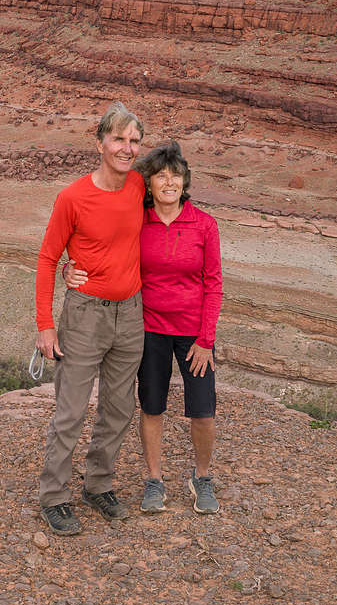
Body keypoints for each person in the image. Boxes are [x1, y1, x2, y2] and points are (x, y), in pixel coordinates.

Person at [65, 140, 223, 514]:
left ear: (185, 181)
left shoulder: (204, 224)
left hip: (193, 333)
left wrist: (206, 340)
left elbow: (213, 283)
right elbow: (100, 246)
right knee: (152, 406)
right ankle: (155, 480)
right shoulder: (139, 219)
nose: (169, 182)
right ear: (148, 184)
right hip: (148, 328)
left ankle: (202, 478)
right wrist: (68, 268)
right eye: (161, 176)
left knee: (203, 410)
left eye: (175, 175)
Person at [33, 102, 146, 536]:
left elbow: (175, 193)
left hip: (130, 314)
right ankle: (54, 496)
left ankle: (98, 484)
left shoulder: (139, 185)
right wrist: (45, 324)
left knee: (119, 409)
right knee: (71, 411)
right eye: (118, 139)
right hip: (84, 317)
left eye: (134, 141)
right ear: (100, 143)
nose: (126, 148)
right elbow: (47, 259)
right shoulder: (73, 197)